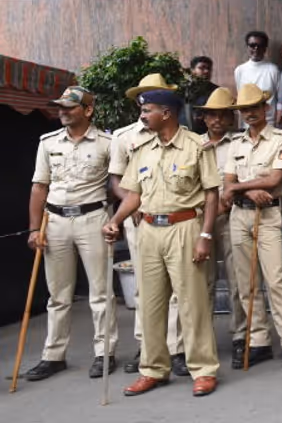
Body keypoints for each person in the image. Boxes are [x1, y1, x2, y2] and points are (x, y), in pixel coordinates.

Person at [103, 87, 221, 397]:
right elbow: (133, 195)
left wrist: (205, 236)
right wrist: (115, 221)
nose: (141, 116)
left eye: (147, 111)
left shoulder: (197, 146)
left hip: (185, 228)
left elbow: (211, 194)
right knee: (150, 304)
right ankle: (153, 369)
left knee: (192, 303)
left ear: (166, 113)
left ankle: (203, 369)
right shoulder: (142, 149)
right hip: (149, 230)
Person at [23, 86, 117, 382]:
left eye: (69, 107)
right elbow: (39, 186)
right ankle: (53, 355)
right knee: (58, 294)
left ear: (88, 110)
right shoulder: (48, 142)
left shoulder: (107, 143)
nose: (62, 111)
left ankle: (105, 353)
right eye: (60, 107)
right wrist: (34, 228)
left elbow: (118, 185)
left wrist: (113, 215)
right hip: (56, 221)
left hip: (92, 218)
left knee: (101, 293)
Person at [221, 84, 282, 369]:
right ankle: (259, 341)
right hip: (240, 215)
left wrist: (240, 187)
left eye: (255, 108)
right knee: (247, 284)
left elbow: (275, 180)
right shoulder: (235, 143)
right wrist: (245, 192)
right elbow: (225, 186)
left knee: (276, 281)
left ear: (265, 108)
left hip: (267, 215)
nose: (250, 113)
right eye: (245, 109)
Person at [107, 73, 178, 375]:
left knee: (175, 288)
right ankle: (146, 346)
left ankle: (175, 348)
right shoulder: (124, 137)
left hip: (173, 221)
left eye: (156, 94)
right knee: (143, 288)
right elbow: (116, 180)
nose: (148, 101)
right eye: (146, 95)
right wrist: (130, 204)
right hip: (138, 220)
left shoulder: (180, 134)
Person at [194, 88, 247, 367]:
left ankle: (240, 335)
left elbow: (242, 179)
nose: (217, 120)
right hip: (199, 220)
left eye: (223, 115)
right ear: (204, 118)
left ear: (230, 118)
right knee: (203, 281)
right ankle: (204, 339)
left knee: (237, 279)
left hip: (231, 216)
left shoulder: (238, 144)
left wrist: (223, 207)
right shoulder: (193, 144)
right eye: (211, 115)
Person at [234, 31, 280, 97]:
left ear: (265, 48)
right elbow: (240, 95)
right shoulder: (239, 70)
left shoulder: (273, 70)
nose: (256, 48)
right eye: (252, 45)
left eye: (260, 45)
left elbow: (280, 97)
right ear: (247, 47)